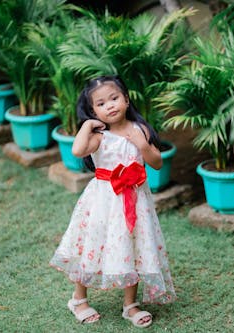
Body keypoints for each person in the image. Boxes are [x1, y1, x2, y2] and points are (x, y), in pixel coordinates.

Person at [49, 75, 176, 328]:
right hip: (103, 201)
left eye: (114, 98)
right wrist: (86, 126)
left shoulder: (140, 130)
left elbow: (157, 163)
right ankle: (79, 299)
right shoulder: (99, 135)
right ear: (93, 110)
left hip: (135, 199)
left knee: (134, 246)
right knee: (92, 246)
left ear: (126, 100)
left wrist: (143, 145)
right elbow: (77, 151)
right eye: (101, 103)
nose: (110, 105)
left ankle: (130, 305)